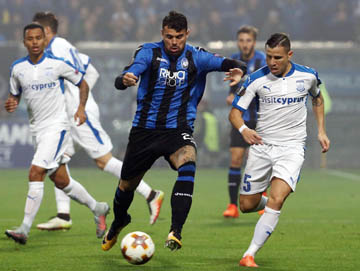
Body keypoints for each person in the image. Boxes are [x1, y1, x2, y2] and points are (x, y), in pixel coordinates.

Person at [101, 10, 246, 252]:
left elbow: (231, 63)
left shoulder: (197, 57)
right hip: (144, 131)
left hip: (177, 130)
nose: (174, 42)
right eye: (169, 36)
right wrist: (125, 79)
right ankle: (118, 222)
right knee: (126, 185)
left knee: (188, 160)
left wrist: (239, 70)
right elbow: (128, 73)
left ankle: (175, 230)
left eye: (179, 36)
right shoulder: (149, 51)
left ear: (187, 34)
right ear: (162, 34)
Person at [32, 12, 164, 231]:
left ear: (46, 31)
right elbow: (91, 72)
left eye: (36, 32)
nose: (32, 37)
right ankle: (63, 215)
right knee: (57, 163)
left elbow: (84, 76)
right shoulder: (63, 47)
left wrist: (80, 103)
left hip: (77, 114)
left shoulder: (57, 48)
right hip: (67, 115)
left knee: (104, 160)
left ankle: (150, 194)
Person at [229, 33, 330, 267]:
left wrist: (321, 131)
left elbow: (317, 98)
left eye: (277, 57)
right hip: (262, 147)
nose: (272, 62)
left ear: (289, 55)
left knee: (278, 198)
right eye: (269, 56)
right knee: (246, 205)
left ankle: (249, 254)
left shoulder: (308, 76)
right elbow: (234, 113)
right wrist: (244, 129)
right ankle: (265, 202)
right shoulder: (255, 79)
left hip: (292, 148)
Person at [4, 23, 110, 244]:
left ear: (44, 40)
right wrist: (12, 102)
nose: (34, 42)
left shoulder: (57, 65)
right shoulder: (17, 68)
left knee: (35, 172)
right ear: (24, 42)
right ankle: (97, 208)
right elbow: (15, 94)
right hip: (38, 131)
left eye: (38, 38)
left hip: (57, 127)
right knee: (61, 180)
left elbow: (82, 84)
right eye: (30, 38)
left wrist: (81, 108)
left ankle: (24, 229)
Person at [223, 25, 266, 218]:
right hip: (240, 119)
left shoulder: (263, 61)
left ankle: (261, 198)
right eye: (241, 40)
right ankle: (232, 205)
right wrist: (231, 96)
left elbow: (265, 89)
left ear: (254, 42)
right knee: (236, 159)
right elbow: (232, 88)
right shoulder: (234, 60)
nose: (244, 44)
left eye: (248, 40)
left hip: (260, 119)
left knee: (259, 161)